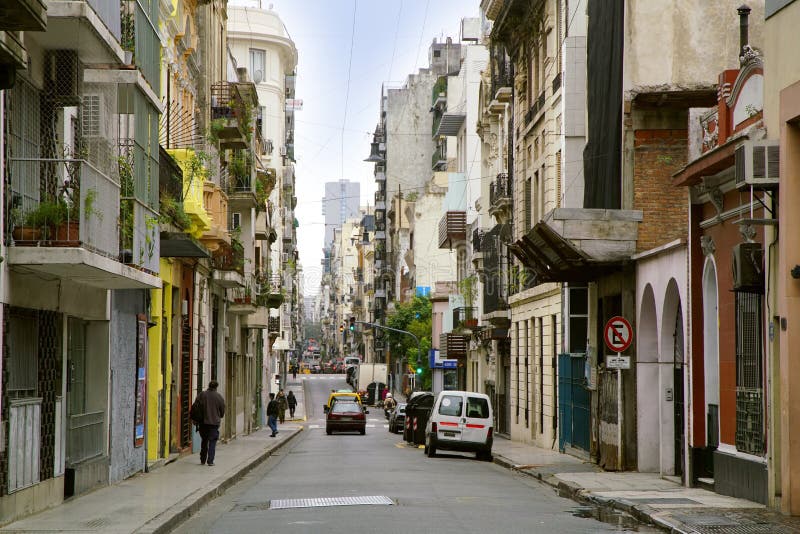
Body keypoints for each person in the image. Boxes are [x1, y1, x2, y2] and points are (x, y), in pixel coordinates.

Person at [197, 380, 225, 466]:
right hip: (214, 423)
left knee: (204, 441)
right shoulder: (219, 397)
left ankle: (202, 459)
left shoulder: (202, 395)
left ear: (209, 386)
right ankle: (210, 461)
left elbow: (196, 406)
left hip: (203, 422)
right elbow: (222, 411)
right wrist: (218, 416)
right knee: (212, 441)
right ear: (216, 387)